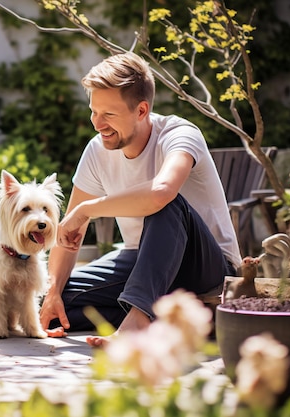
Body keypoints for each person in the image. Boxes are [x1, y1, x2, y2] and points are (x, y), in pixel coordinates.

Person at [39, 51, 241, 346]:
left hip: (205, 267)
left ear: (142, 110)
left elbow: (161, 192)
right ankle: (159, 318)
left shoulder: (179, 134)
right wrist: (53, 289)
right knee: (53, 305)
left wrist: (88, 209)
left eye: (108, 114)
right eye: (94, 111)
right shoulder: (97, 150)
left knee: (165, 201)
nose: (97, 123)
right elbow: (70, 234)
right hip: (141, 265)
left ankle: (138, 321)